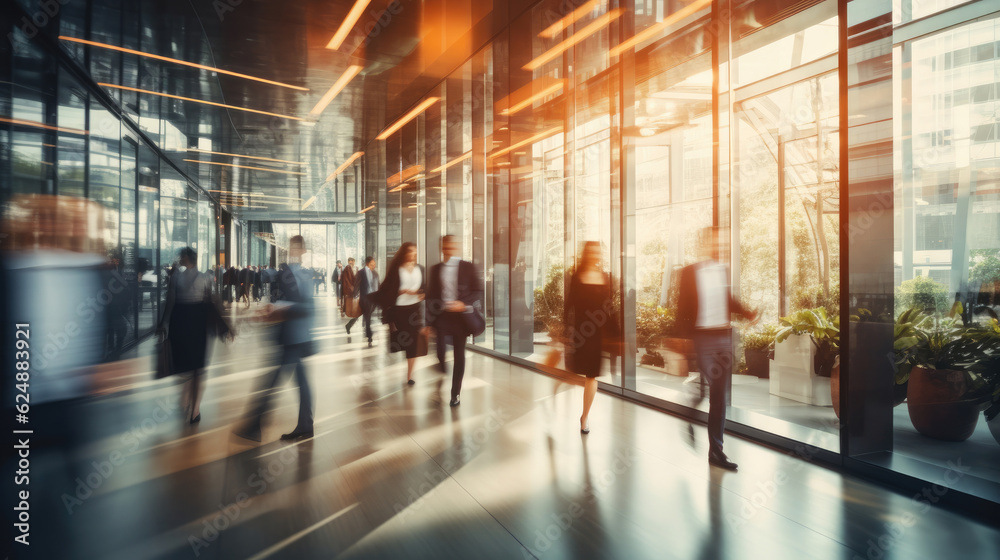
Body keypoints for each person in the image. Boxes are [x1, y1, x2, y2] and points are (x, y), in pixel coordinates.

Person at [676, 226, 757, 471]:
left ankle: (716, 451)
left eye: (721, 243)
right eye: (714, 242)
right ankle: (688, 414)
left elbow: (727, 300)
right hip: (703, 338)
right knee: (706, 392)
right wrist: (682, 347)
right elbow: (682, 310)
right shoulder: (689, 272)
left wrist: (747, 312)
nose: (718, 246)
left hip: (724, 337)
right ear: (703, 244)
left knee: (719, 396)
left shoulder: (722, 270)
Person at [236, 235, 316, 442]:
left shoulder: (304, 275)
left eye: (297, 247)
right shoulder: (287, 272)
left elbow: (307, 307)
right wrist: (273, 306)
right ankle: (304, 425)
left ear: (303, 250)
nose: (293, 250)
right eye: (291, 247)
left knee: (273, 381)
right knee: (299, 381)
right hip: (290, 336)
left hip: (294, 337)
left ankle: (254, 426)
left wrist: (280, 307)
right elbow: (283, 298)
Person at [158, 247, 233, 424]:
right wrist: (228, 325)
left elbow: (170, 301)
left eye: (181, 257)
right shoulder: (205, 278)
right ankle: (195, 409)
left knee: (185, 364)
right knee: (199, 367)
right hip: (198, 323)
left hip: (180, 322)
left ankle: (185, 399)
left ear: (185, 259)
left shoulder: (176, 277)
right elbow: (215, 301)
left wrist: (164, 323)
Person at [563, 241, 614, 433]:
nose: (595, 255)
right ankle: (562, 387)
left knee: (591, 376)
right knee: (574, 371)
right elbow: (569, 305)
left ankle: (585, 417)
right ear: (586, 254)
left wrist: (616, 332)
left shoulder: (605, 277)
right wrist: (565, 331)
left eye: (598, 252)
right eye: (591, 252)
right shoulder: (577, 277)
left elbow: (609, 306)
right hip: (580, 333)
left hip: (597, 335)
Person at [426, 235, 483, 407]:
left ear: (455, 246)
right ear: (442, 247)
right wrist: (428, 323)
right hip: (443, 315)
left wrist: (463, 304)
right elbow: (431, 296)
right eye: (445, 246)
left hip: (461, 318)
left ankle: (455, 394)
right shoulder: (436, 269)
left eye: (451, 245)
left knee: (459, 355)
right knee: (440, 351)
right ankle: (443, 367)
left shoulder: (467, 267)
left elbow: (478, 290)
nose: (448, 249)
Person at [375, 243, 426, 385]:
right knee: (405, 339)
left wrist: (420, 294)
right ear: (404, 253)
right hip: (400, 309)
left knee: (413, 341)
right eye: (410, 252)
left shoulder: (420, 269)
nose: (413, 255)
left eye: (415, 252)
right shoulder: (396, 269)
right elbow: (386, 289)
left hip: (415, 308)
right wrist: (400, 291)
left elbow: (425, 289)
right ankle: (405, 366)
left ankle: (410, 375)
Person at [347, 256, 380, 347]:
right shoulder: (361, 273)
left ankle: (349, 325)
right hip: (364, 298)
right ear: (367, 264)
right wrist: (353, 295)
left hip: (373, 298)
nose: (374, 266)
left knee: (362, 313)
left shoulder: (375, 273)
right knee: (368, 316)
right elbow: (356, 284)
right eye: (372, 265)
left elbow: (378, 285)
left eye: (374, 264)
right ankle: (369, 336)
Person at [342, 257, 359, 329]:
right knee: (350, 300)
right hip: (350, 288)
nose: (350, 263)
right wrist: (350, 286)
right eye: (349, 262)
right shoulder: (347, 268)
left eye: (351, 261)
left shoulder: (356, 268)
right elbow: (346, 279)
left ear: (354, 261)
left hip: (355, 287)